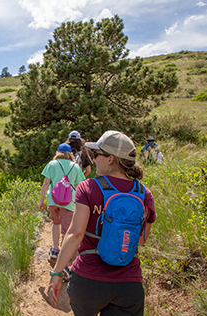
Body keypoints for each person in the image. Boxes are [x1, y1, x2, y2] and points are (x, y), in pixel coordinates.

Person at [48, 131, 156, 316]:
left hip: (88, 281)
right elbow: (142, 240)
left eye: (97, 155)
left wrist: (57, 273)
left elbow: (75, 234)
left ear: (110, 159)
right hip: (129, 284)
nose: (93, 159)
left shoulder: (88, 187)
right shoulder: (144, 193)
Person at [39, 143, 85, 263]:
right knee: (67, 228)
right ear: (70, 154)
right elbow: (79, 185)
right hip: (68, 202)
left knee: (56, 222)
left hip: (53, 199)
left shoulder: (52, 164)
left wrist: (42, 201)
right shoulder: (75, 167)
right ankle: (64, 253)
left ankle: (55, 249)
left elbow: (46, 183)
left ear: (58, 152)